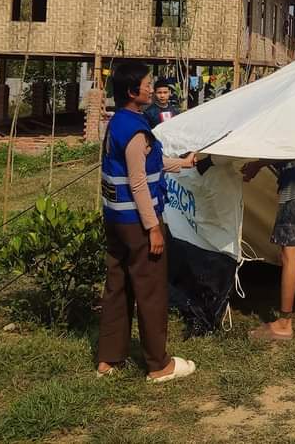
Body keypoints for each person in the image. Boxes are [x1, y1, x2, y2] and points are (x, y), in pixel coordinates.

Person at [96, 61, 197, 382]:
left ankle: (109, 359)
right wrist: (153, 227)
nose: (152, 88)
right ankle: (158, 364)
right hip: (138, 224)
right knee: (151, 291)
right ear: (131, 92)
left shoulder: (120, 123)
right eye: (147, 84)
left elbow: (143, 164)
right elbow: (139, 182)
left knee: (118, 286)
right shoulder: (137, 130)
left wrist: (181, 163)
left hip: (115, 220)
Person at [240, 158, 295, 341]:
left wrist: (257, 164)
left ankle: (284, 323)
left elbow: (286, 150)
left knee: (290, 257)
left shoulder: (293, 127)